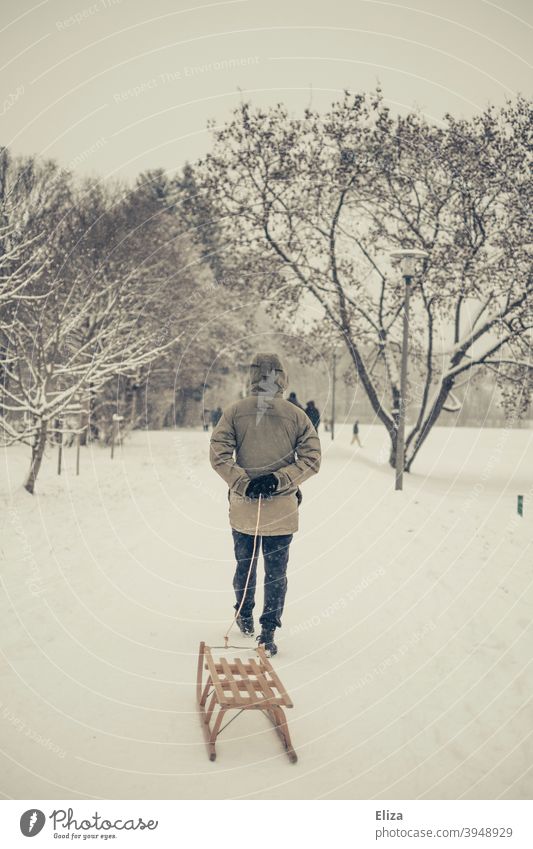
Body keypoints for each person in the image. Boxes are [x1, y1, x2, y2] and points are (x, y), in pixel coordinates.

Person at [210, 352, 321, 656]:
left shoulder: (234, 412)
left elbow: (218, 454)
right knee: (276, 572)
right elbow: (312, 459)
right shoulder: (296, 415)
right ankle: (268, 631)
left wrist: (243, 482)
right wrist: (278, 480)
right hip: (281, 509)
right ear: (282, 377)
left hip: (244, 507)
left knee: (244, 566)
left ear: (251, 376)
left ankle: (244, 614)